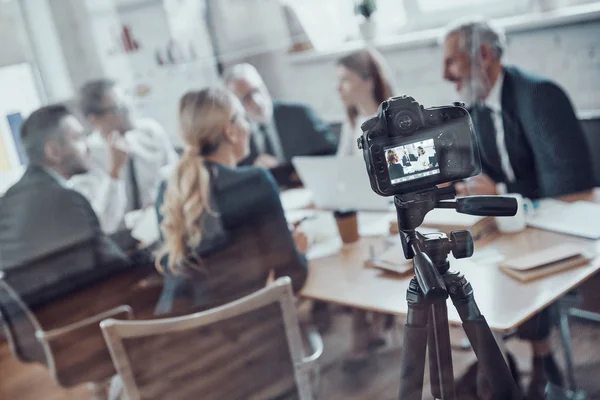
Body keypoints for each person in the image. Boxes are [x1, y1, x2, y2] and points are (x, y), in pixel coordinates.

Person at [442, 18, 594, 398]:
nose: (446, 74)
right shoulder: (474, 110)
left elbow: (567, 186)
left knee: (515, 263)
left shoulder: (539, 95)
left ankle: (541, 364)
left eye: (452, 62)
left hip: (561, 226)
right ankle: (499, 364)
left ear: (484, 56)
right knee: (463, 263)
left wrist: (502, 190)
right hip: (512, 226)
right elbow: (479, 173)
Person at [153, 87, 308, 315]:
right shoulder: (254, 181)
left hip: (184, 337)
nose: (249, 128)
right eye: (244, 119)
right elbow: (293, 277)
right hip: (249, 334)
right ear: (231, 131)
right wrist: (299, 251)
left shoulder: (168, 190)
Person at [0, 105, 129, 306]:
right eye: (77, 138)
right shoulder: (67, 199)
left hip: (39, 329)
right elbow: (120, 267)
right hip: (86, 318)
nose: (87, 146)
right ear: (53, 151)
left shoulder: (6, 203)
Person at [71, 79, 178, 234]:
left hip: (168, 224)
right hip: (124, 241)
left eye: (127, 102)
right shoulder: (87, 157)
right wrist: (114, 171)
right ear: (93, 119)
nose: (128, 110)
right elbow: (104, 223)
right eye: (117, 108)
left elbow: (176, 176)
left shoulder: (150, 132)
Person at [223, 63, 336, 168]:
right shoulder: (237, 135)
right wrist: (255, 171)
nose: (257, 101)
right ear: (235, 105)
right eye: (246, 98)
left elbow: (332, 154)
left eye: (257, 90)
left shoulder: (300, 115)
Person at [336, 48, 395, 156]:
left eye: (345, 80)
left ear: (369, 81)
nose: (338, 88)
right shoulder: (352, 122)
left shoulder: (394, 119)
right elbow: (341, 163)